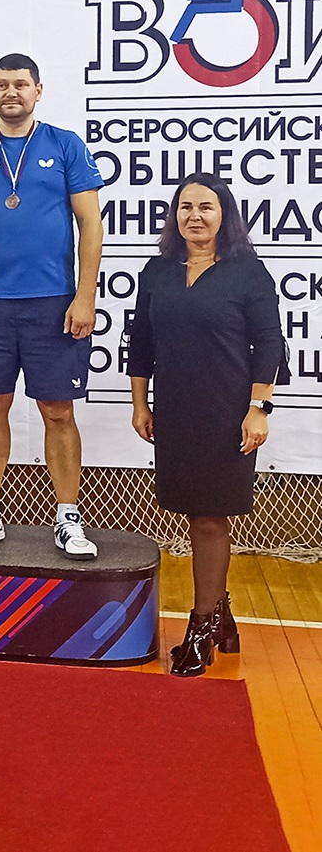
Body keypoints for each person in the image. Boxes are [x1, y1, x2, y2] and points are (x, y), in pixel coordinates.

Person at [0, 53, 104, 559]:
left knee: (58, 410)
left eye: (21, 84)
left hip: (56, 302)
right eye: (2, 84)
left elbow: (90, 225)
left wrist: (85, 296)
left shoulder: (65, 144)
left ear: (38, 91)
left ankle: (68, 517)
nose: (12, 92)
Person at [127, 174, 285, 676]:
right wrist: (140, 403)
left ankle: (201, 629)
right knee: (192, 513)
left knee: (210, 518)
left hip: (228, 413)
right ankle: (224, 614)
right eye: (185, 206)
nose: (194, 215)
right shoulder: (157, 271)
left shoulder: (248, 273)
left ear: (225, 215)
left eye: (206, 207)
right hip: (174, 410)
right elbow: (141, 341)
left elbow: (270, 344)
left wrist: (259, 408)